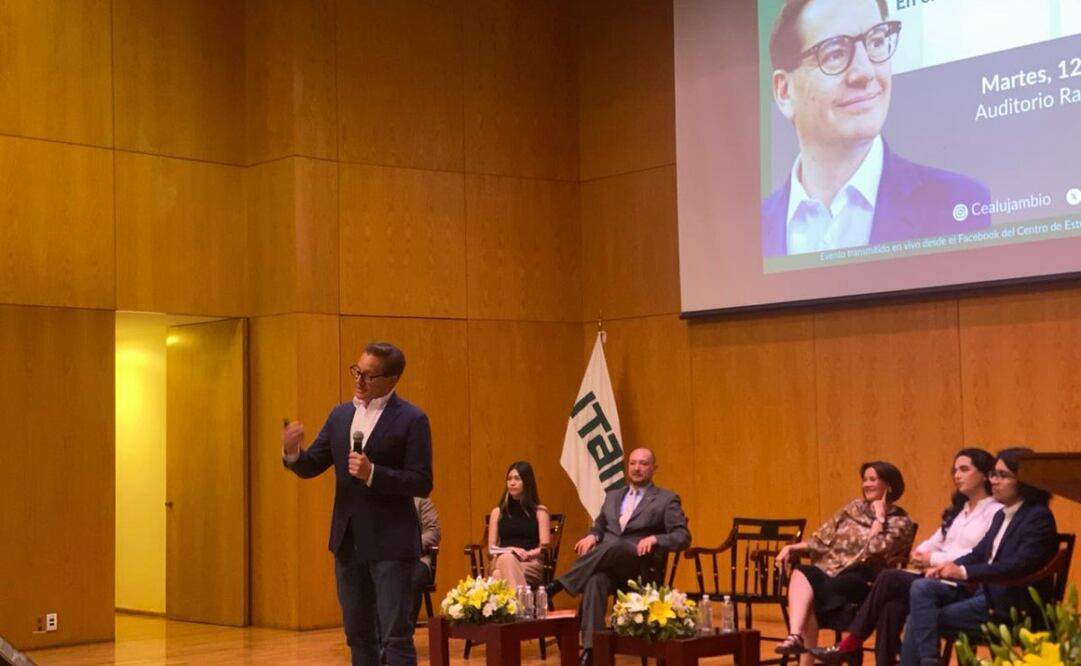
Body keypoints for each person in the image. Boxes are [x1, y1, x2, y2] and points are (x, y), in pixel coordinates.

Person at [761, 0, 991, 258]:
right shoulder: (749, 234)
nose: (865, 72)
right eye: (834, 53)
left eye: (876, 42)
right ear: (784, 92)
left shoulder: (960, 202)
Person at [282, 341, 433, 666]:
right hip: (348, 544)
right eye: (357, 371)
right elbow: (312, 464)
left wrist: (373, 473)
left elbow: (421, 481)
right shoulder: (340, 415)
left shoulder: (412, 419)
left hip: (391, 546)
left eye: (369, 376)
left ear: (392, 380)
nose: (359, 381)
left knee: (396, 637)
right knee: (357, 634)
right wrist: (293, 453)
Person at [811, 449, 1001, 665]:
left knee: (888, 577)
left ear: (984, 475)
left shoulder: (994, 511)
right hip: (935, 578)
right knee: (891, 604)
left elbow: (978, 555)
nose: (957, 475)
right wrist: (921, 553)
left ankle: (851, 643)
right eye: (955, 470)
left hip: (964, 582)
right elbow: (933, 542)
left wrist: (932, 559)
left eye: (964, 469)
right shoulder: (959, 510)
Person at [899, 447, 1058, 666]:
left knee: (919, 618)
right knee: (922, 591)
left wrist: (963, 572)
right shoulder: (1002, 515)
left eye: (1003, 475)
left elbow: (1018, 565)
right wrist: (948, 567)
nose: (994, 481)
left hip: (1012, 605)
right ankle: (930, 661)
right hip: (987, 594)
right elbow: (978, 554)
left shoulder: (1037, 516)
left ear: (1025, 480)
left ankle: (929, 662)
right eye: (993, 474)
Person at [545, 448, 691, 666]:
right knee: (595, 581)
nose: (637, 468)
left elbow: (683, 537)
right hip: (611, 567)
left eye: (643, 464)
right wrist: (593, 535)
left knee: (613, 544)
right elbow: (600, 526)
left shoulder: (666, 499)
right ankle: (592, 650)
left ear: (654, 468)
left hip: (640, 568)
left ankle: (559, 584)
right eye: (633, 463)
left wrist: (656, 538)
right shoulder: (613, 496)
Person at [774, 461, 916, 666]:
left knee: (810, 595)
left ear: (889, 485)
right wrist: (793, 548)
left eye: (873, 479)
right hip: (831, 571)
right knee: (802, 572)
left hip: (864, 578)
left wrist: (880, 518)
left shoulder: (901, 521)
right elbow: (823, 538)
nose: (867, 484)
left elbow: (874, 551)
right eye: (865, 479)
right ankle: (794, 636)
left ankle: (806, 661)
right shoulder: (853, 508)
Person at [488, 461, 551, 589]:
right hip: (500, 559)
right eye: (509, 479)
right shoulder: (497, 512)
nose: (512, 483)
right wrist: (511, 550)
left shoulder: (540, 511)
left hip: (529, 562)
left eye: (517, 479)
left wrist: (528, 554)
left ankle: (512, 602)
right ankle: (522, 601)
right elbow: (491, 548)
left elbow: (544, 547)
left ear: (527, 482)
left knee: (498, 576)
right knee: (507, 559)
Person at [411, 496, 441, 626]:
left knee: (413, 577)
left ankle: (406, 628)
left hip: (418, 558)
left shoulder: (421, 499)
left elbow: (434, 532)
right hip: (386, 558)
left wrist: (410, 546)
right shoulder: (382, 500)